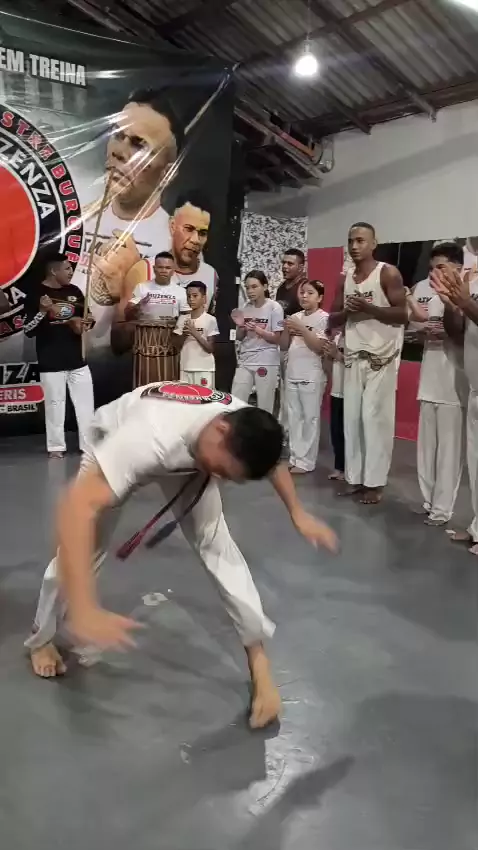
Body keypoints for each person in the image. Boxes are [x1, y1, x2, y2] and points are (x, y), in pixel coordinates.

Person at [25, 381, 338, 730]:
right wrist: (84, 609)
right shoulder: (145, 439)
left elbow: (271, 459)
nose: (222, 479)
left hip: (189, 454)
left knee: (218, 546)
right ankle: (41, 639)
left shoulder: (242, 423)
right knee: (85, 547)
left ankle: (260, 665)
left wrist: (297, 512)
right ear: (221, 431)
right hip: (113, 441)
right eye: (224, 471)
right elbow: (74, 508)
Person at [74, 89, 183, 344]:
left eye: (138, 144)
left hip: (113, 366)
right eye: (117, 135)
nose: (119, 152)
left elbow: (168, 340)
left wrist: (127, 291)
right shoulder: (76, 218)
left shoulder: (173, 247)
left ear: (167, 174)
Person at [328, 223, 407, 504]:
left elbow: (403, 315)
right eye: (351, 240)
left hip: (381, 358)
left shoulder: (387, 273)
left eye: (361, 240)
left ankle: (375, 483)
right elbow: (332, 318)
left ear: (374, 243)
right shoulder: (345, 278)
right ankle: (355, 478)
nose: (354, 246)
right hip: (353, 357)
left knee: (375, 421)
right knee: (352, 420)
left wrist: (369, 308)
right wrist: (347, 312)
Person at [410, 243, 467, 526]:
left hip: (453, 385)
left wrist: (449, 331)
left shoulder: (465, 299)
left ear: (459, 267)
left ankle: (443, 510)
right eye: (432, 269)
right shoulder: (432, 299)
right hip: (429, 380)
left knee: (448, 455)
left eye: (441, 267)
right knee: (426, 450)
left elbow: (463, 337)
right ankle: (429, 501)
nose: (435, 274)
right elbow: (421, 330)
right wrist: (424, 333)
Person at [23, 255, 95, 458]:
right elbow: (28, 330)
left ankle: (88, 446)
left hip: (77, 359)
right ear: (54, 271)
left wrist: (85, 322)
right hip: (51, 361)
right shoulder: (36, 293)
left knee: (86, 407)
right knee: (55, 406)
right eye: (67, 268)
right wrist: (42, 311)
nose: (71, 272)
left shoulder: (75, 291)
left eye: (71, 268)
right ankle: (56, 447)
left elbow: (87, 319)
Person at [430, 263, 478, 555]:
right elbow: (458, 333)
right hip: (475, 386)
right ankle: (477, 528)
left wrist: (466, 302)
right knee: (476, 465)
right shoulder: (473, 280)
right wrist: (451, 305)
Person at [125, 193, 217, 309]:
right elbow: (122, 319)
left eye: (202, 233)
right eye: (188, 229)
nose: (195, 240)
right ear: (172, 226)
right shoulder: (143, 271)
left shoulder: (211, 275)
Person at [121, 251, 190, 386]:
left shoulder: (180, 292)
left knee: (167, 383)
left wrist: (178, 333)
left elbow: (186, 314)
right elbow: (127, 313)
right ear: (154, 268)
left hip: (169, 341)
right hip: (145, 342)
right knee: (144, 383)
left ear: (173, 270)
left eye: (168, 268)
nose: (164, 271)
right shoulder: (142, 287)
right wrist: (138, 306)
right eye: (160, 267)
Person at [281, 281, 328, 474]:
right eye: (302, 292)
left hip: (312, 374)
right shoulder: (295, 317)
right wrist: (286, 329)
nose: (304, 296)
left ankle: (307, 462)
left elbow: (319, 347)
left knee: (310, 419)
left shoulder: (324, 318)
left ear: (320, 297)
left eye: (310, 293)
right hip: (293, 371)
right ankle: (295, 457)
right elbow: (284, 345)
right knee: (294, 418)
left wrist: (301, 328)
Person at [231, 270, 284, 413]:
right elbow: (239, 337)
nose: (250, 291)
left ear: (265, 287)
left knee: (265, 405)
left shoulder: (274, 307)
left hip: (266, 360)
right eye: (247, 287)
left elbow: (277, 338)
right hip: (246, 359)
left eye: (254, 287)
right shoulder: (245, 307)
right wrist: (241, 327)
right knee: (236, 401)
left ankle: (264, 428)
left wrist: (258, 329)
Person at [275, 248, 308, 434]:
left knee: (296, 392)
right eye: (284, 263)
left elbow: (310, 318)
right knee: (284, 389)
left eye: (290, 264)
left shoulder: (303, 289)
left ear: (301, 267)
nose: (285, 267)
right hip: (283, 344)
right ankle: (284, 429)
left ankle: (295, 431)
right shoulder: (281, 288)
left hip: (299, 347)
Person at [180, 281, 219, 388]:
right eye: (188, 296)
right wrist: (183, 335)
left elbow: (210, 348)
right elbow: (176, 346)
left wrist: (194, 333)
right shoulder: (182, 319)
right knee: (185, 397)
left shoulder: (210, 320)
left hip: (204, 368)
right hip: (185, 367)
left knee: (204, 398)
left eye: (195, 296)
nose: (191, 299)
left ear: (204, 298)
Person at [325, 331, 345, 481]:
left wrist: (337, 355)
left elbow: (356, 364)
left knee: (346, 433)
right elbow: (328, 368)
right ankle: (339, 467)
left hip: (350, 392)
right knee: (335, 432)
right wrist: (328, 355)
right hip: (336, 390)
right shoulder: (337, 338)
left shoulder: (357, 337)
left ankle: (348, 469)